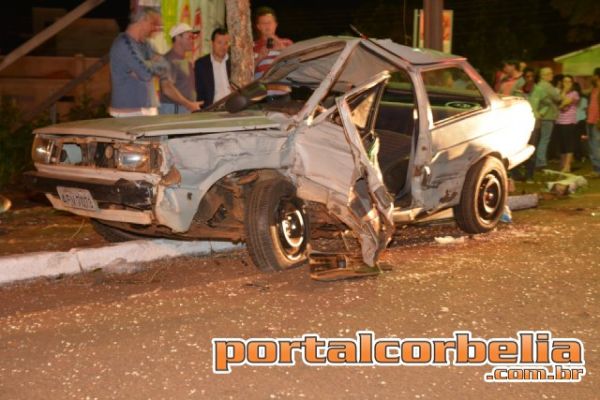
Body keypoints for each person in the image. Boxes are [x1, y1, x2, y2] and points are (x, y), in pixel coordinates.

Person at [108, 7, 201, 117]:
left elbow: (164, 65)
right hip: (129, 112)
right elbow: (146, 73)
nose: (154, 29)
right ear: (143, 21)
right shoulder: (124, 44)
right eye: (152, 24)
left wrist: (145, 65)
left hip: (147, 110)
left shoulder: (146, 44)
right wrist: (149, 67)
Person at [159, 23, 201, 114]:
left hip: (184, 109)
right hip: (173, 111)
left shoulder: (187, 62)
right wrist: (189, 104)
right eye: (189, 37)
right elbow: (167, 89)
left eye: (193, 37)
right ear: (178, 38)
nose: (192, 40)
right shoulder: (168, 60)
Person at [529, 67, 562, 169]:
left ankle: (537, 160)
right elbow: (558, 97)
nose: (551, 75)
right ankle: (541, 162)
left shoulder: (538, 86)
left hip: (539, 116)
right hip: (547, 116)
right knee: (544, 139)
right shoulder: (547, 86)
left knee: (538, 139)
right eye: (549, 74)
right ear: (543, 76)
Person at [194, 28, 232, 107]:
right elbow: (198, 92)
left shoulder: (233, 62)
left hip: (233, 108)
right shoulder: (201, 64)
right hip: (212, 110)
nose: (223, 46)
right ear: (212, 43)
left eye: (226, 43)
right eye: (219, 43)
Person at [253, 7, 293, 79]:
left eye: (269, 22)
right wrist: (259, 58)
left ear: (276, 24)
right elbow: (246, 71)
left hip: (282, 86)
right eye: (263, 23)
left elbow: (295, 64)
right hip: (260, 87)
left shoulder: (287, 43)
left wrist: (282, 49)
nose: (267, 26)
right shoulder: (253, 46)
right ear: (258, 27)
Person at [554, 75, 580, 172]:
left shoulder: (574, 93)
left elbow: (564, 103)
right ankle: (562, 163)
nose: (567, 83)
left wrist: (564, 92)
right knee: (562, 144)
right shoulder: (557, 92)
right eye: (565, 81)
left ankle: (568, 165)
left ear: (572, 83)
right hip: (558, 121)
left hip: (569, 122)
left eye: (569, 81)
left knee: (569, 144)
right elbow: (557, 102)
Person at [585, 67, 600, 178]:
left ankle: (597, 169)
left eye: (593, 75)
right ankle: (595, 168)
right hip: (590, 119)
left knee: (596, 146)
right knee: (592, 145)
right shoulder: (594, 89)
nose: (592, 77)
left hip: (597, 121)